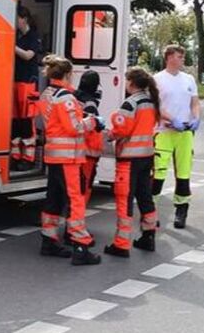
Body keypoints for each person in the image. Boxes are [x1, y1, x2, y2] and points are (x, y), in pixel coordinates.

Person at [37, 55, 101, 265]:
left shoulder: (47, 94)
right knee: (75, 200)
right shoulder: (66, 97)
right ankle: (80, 246)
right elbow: (75, 127)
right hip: (68, 158)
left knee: (53, 199)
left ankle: (49, 240)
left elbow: (46, 122)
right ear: (67, 74)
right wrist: (93, 121)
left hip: (53, 155)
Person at [103, 67, 160, 257]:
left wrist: (109, 135)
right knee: (145, 197)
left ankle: (121, 244)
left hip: (129, 159)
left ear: (131, 83)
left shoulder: (130, 103)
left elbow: (122, 130)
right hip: (146, 157)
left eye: (127, 80)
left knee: (124, 200)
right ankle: (148, 236)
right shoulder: (151, 102)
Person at [153, 44, 200, 229]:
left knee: (183, 173)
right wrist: (172, 119)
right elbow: (156, 106)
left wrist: (196, 117)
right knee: (158, 172)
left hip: (185, 132)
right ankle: (151, 210)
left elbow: (194, 102)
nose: (182, 59)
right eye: (179, 56)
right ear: (169, 57)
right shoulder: (157, 79)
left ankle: (181, 210)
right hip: (164, 131)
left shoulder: (189, 79)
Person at [10, 5, 42, 167]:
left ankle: (28, 159)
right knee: (15, 119)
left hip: (27, 82)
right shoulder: (17, 36)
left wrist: (11, 46)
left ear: (24, 19)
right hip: (15, 80)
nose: (15, 22)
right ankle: (15, 156)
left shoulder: (33, 37)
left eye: (17, 18)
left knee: (26, 120)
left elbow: (28, 55)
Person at [75, 70, 103, 201]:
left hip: (74, 149)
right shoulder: (90, 103)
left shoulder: (73, 96)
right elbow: (92, 126)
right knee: (84, 185)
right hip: (88, 152)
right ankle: (78, 214)